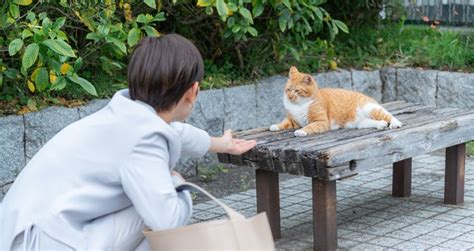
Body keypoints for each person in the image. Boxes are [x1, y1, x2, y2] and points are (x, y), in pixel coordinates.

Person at [0, 34, 257, 250]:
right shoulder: (145, 138)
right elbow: (167, 220)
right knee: (154, 213)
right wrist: (177, 182)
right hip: (37, 243)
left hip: (20, 234)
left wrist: (222, 144)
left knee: (148, 204)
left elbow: (177, 132)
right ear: (193, 91)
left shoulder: (127, 116)